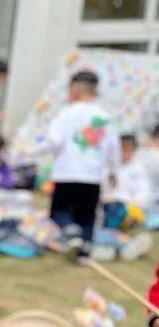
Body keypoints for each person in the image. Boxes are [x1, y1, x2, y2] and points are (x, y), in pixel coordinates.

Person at [45, 69, 119, 255]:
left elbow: (54, 141)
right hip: (92, 175)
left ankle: (70, 229)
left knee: (59, 211)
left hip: (67, 173)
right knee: (87, 216)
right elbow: (113, 147)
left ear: (77, 89)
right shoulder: (104, 117)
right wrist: (113, 171)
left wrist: (31, 151)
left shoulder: (66, 114)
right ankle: (84, 252)